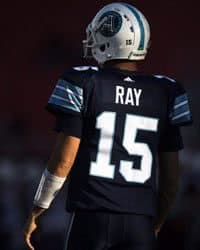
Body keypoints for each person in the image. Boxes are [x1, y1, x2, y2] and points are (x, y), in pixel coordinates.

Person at [24, 2, 192, 250]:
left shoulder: (83, 81)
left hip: (92, 219)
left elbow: (63, 160)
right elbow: (171, 178)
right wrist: (155, 224)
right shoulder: (166, 90)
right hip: (140, 223)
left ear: (109, 39)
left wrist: (39, 208)